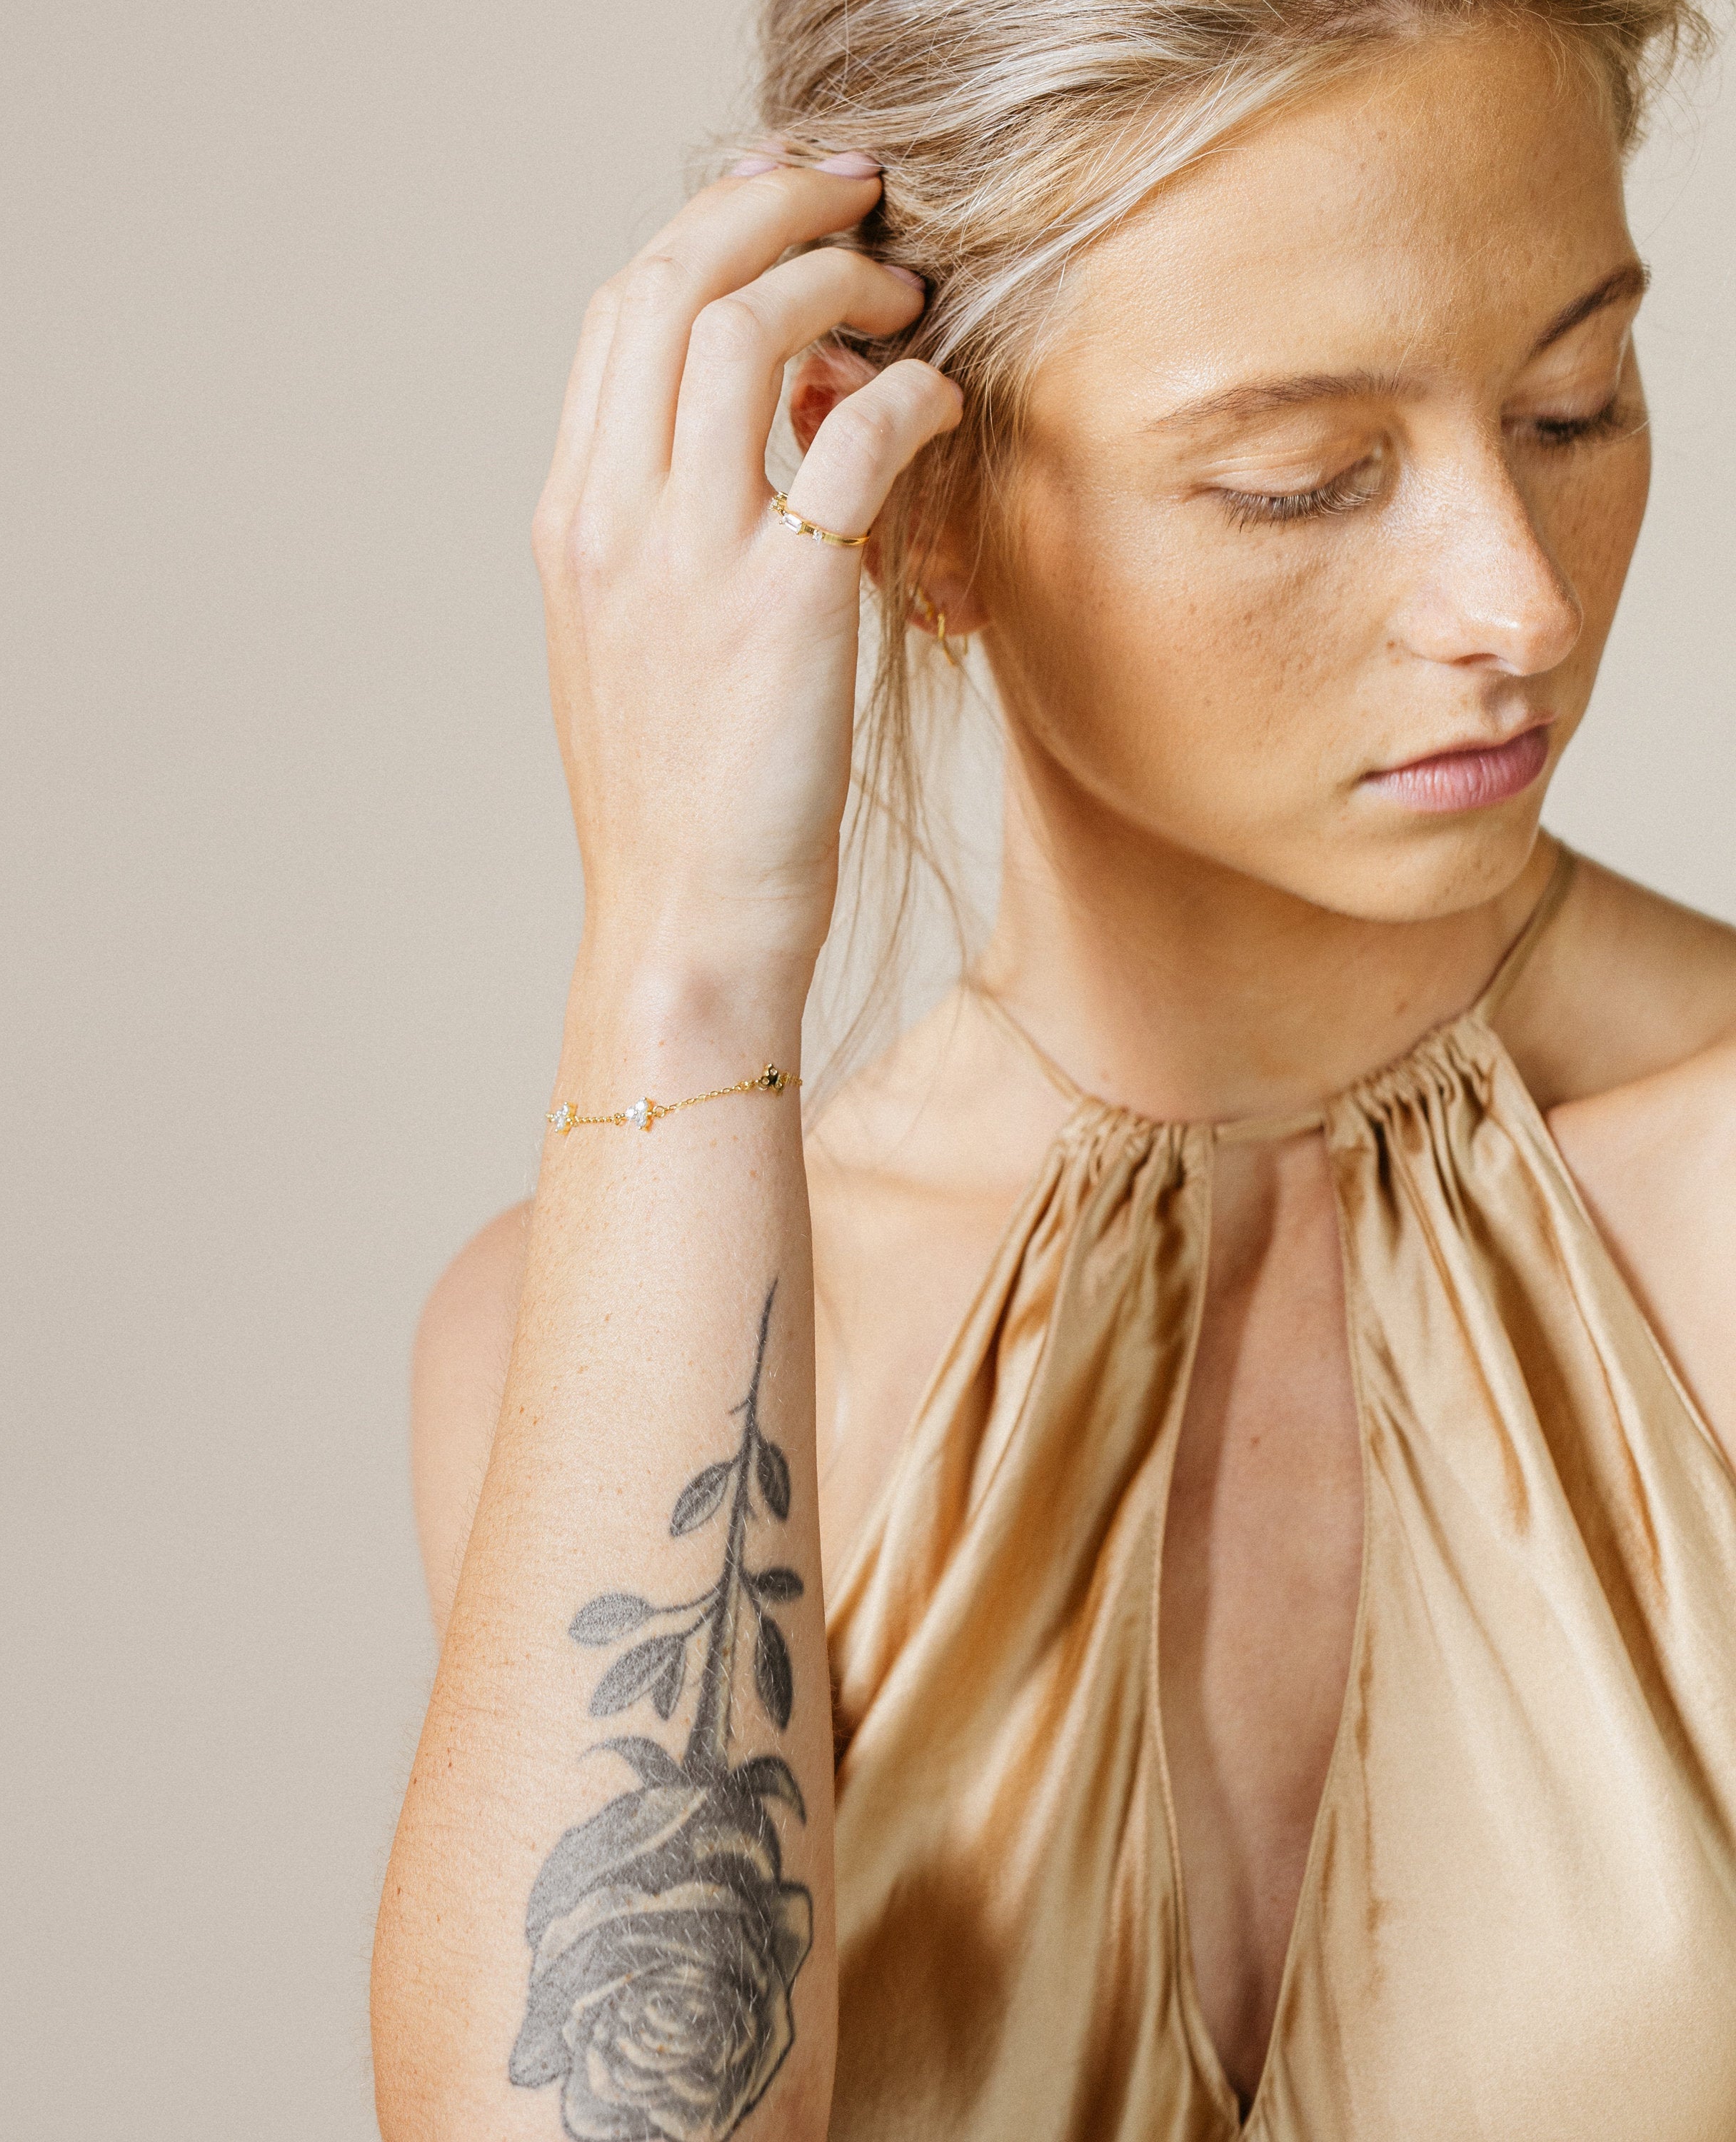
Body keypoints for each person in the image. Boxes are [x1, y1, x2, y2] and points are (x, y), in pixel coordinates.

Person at [372, 0, 1736, 2134]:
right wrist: (680, 981)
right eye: (1307, 480)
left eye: (1576, 405)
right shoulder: (621, 1336)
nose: (1520, 601)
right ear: (913, 507)